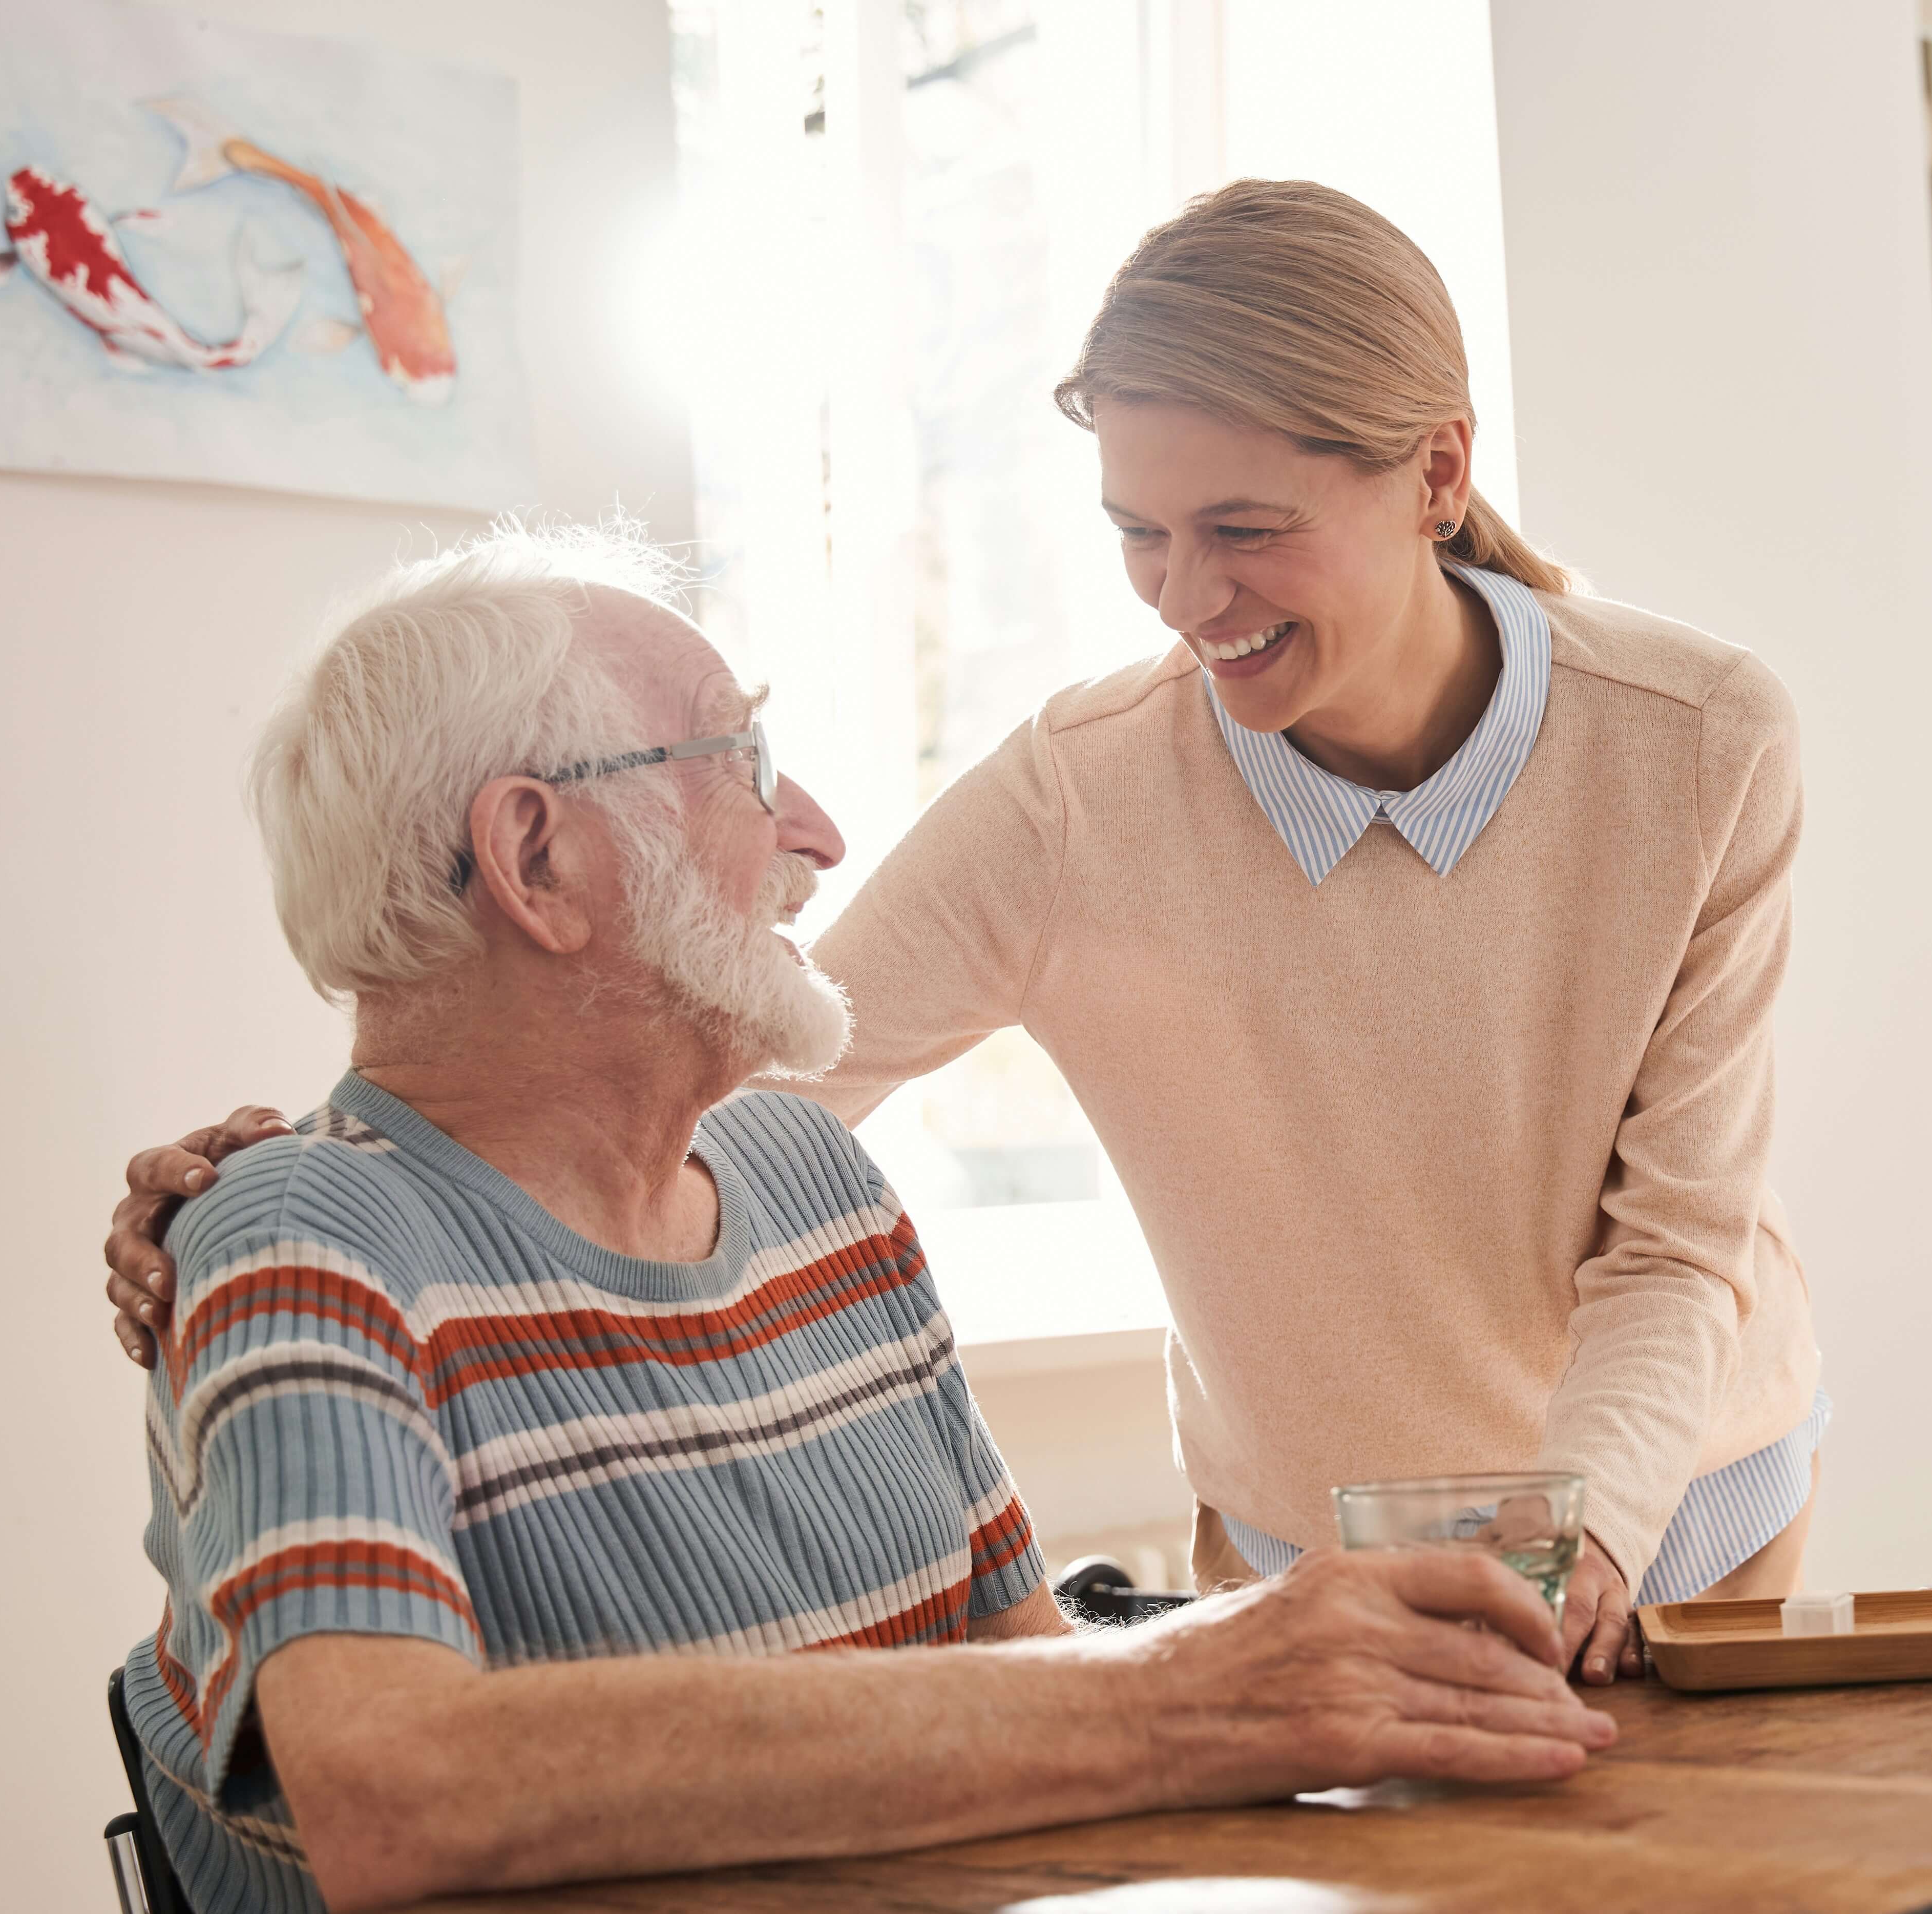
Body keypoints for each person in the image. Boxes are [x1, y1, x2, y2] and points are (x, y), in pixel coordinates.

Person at [107, 180, 1828, 1684]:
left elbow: (1676, 1244)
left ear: (1437, 473)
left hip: (1681, 1509)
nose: (1185, 598)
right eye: (1139, 535)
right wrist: (311, 1184)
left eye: (1245, 531)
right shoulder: (1079, 797)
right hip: (1314, 1558)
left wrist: (1583, 1542)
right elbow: (719, 1073)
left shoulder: (1695, 739)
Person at [128, 529, 1612, 1914]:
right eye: (744, 762)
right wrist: (1198, 1688)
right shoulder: (297, 1237)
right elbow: (399, 1792)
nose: (821, 837)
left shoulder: (807, 1175)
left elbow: (1022, 1668)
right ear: (535, 856)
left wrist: (1312, 1690)